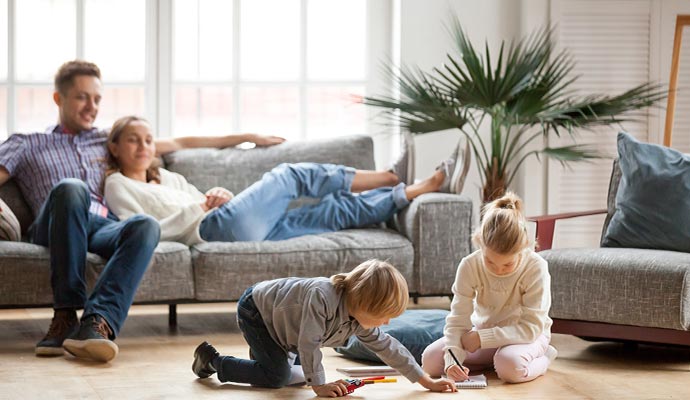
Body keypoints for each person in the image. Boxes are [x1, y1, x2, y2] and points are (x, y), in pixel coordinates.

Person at [0, 60, 284, 362]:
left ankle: (97, 324)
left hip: (99, 225)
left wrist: (247, 136)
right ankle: (65, 314)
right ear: (59, 98)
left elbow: (180, 142)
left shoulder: (106, 139)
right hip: (55, 224)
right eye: (82, 97)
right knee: (72, 188)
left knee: (145, 225)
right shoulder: (27, 143)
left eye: (97, 99)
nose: (91, 106)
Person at [102, 116, 464, 245]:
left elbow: (204, 197)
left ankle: (417, 188)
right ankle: (388, 175)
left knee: (331, 212)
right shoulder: (117, 185)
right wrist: (201, 208)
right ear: (115, 147)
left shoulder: (166, 176)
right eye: (133, 139)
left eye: (148, 139)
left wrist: (218, 194)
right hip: (211, 229)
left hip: (230, 222)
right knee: (289, 175)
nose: (143, 146)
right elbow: (137, 230)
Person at [191, 259, 457, 396]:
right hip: (258, 311)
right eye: (383, 316)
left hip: (285, 327)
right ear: (363, 302)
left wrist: (426, 381)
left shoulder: (359, 318)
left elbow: (389, 348)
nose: (386, 323)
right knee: (278, 377)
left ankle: (265, 359)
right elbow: (309, 343)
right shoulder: (322, 296)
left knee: (292, 375)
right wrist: (319, 385)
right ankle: (213, 361)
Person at [421, 192, 557, 384]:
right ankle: (492, 361)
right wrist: (453, 361)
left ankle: (543, 359)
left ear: (524, 248)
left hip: (527, 337)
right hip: (483, 334)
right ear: (480, 243)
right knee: (430, 362)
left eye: (508, 265)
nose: (499, 270)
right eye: (490, 262)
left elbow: (530, 328)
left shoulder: (536, 267)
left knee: (510, 367)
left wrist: (481, 338)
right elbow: (458, 320)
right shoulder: (469, 265)